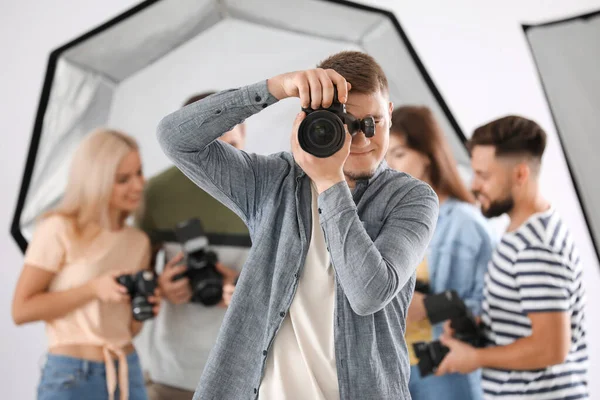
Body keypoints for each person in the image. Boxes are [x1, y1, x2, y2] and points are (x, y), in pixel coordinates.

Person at [156, 50, 440, 399]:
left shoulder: (411, 198)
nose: (363, 140)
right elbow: (175, 138)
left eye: (374, 122)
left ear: (391, 114)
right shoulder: (272, 183)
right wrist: (276, 87)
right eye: (348, 124)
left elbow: (369, 293)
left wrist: (329, 182)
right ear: (313, 120)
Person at [435, 116, 589, 399]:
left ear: (520, 175)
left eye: (484, 175)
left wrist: (475, 358)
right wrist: (484, 326)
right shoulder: (522, 232)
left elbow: (551, 347)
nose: (474, 185)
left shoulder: (535, 248)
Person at [11, 129, 166, 400]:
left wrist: (147, 307)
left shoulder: (138, 241)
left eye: (139, 173)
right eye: (123, 179)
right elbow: (21, 310)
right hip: (72, 376)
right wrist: (93, 289)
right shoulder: (59, 229)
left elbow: (129, 328)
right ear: (96, 180)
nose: (138, 185)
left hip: (126, 370)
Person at [135, 92, 250, 400]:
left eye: (232, 145)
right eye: (210, 149)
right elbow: (135, 281)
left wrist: (242, 289)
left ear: (244, 132)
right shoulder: (153, 195)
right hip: (170, 372)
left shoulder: (269, 191)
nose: (222, 163)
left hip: (246, 374)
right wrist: (159, 287)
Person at [386, 105, 495, 399]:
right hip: (396, 370)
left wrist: (428, 307)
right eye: (384, 156)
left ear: (427, 154)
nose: (389, 166)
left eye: (399, 154)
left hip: (444, 370)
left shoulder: (463, 223)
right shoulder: (388, 221)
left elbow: (492, 306)